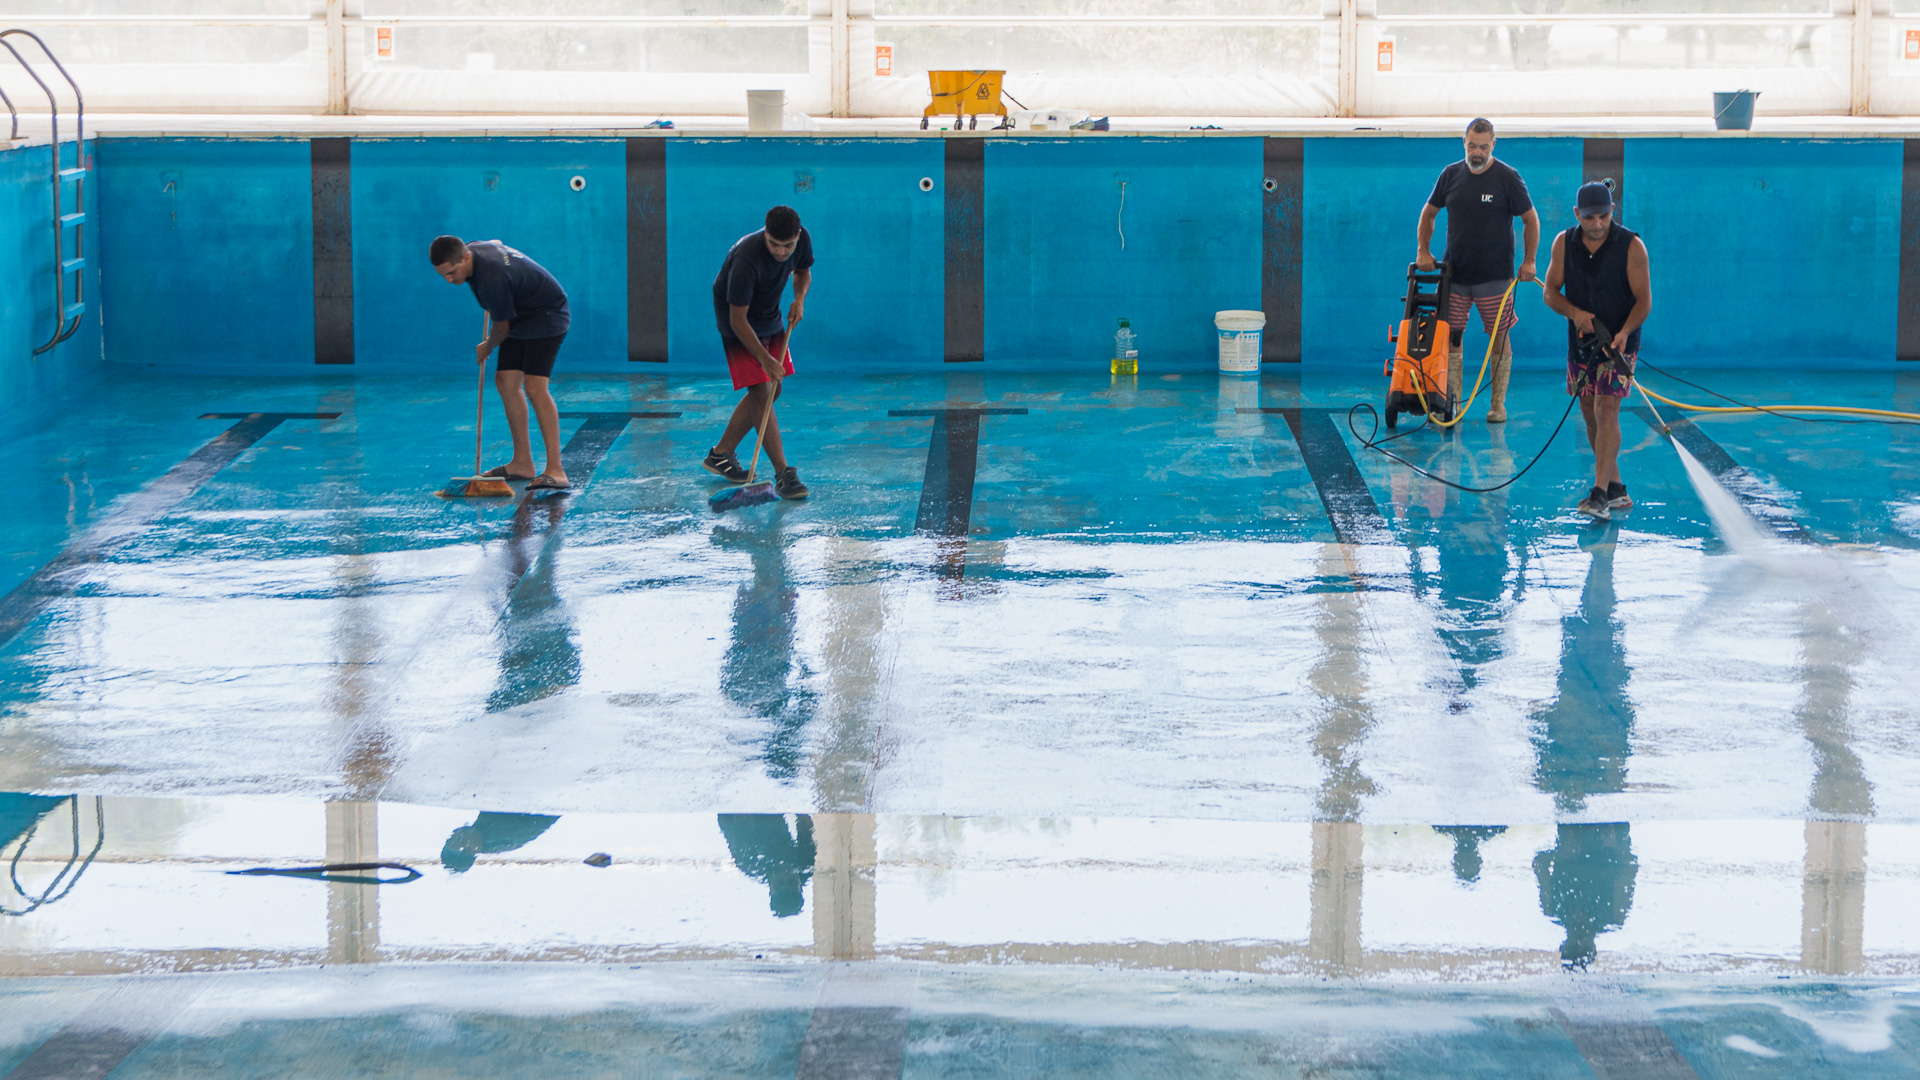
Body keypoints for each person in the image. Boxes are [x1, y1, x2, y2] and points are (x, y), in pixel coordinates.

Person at [1416, 118, 1540, 423]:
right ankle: (1451, 403)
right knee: (1451, 338)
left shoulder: (1508, 177)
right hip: (1455, 275)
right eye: (1472, 146)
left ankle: (1498, 405)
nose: (1477, 152)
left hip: (1495, 277)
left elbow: (1531, 220)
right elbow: (1429, 213)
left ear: (1493, 145)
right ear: (1464, 142)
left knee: (1499, 336)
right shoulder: (1450, 175)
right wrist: (1423, 251)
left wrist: (1529, 261)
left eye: (1484, 147)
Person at [1543, 181, 1652, 522]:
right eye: (1589, 218)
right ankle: (1616, 488)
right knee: (1589, 412)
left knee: (1607, 410)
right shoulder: (1563, 243)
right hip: (1583, 341)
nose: (1597, 224)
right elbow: (1550, 293)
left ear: (1612, 211)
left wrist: (1625, 332)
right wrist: (1574, 313)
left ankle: (1599, 493)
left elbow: (1644, 302)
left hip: (1619, 341)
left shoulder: (1632, 246)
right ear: (1577, 214)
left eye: (1603, 216)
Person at [431, 235, 572, 491]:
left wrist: (487, 346)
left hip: (547, 313)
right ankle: (522, 463)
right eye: (443, 276)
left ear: (465, 258)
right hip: (520, 313)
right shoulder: (474, 249)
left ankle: (556, 470)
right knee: (506, 381)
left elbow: (501, 328)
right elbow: (495, 242)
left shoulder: (491, 280)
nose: (449, 280)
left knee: (535, 388)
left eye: (451, 273)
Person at [704, 205, 812, 500]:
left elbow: (803, 272)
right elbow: (737, 320)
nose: (781, 252)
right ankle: (784, 474)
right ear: (765, 234)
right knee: (762, 391)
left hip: (769, 312)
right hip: (737, 320)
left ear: (797, 236)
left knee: (773, 390)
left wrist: (799, 299)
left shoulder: (802, 239)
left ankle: (721, 455)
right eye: (774, 244)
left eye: (787, 246)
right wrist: (765, 360)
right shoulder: (746, 260)